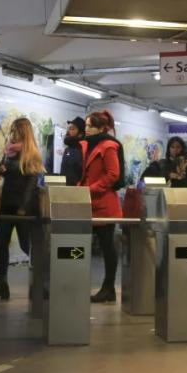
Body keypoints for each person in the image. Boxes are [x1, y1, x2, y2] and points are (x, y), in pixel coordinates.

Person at [0, 118, 43, 300]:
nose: (11, 133)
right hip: (7, 204)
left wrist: (24, 207)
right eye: (11, 130)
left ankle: (41, 280)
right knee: (1, 245)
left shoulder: (31, 154)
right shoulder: (10, 151)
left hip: (23, 208)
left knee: (26, 244)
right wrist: (1, 170)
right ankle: (0, 283)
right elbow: (11, 173)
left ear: (23, 132)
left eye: (15, 130)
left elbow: (31, 184)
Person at [80, 110, 125, 303]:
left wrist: (92, 189)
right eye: (86, 126)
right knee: (79, 246)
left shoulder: (108, 146)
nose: (86, 129)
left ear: (101, 128)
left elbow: (113, 174)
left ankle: (108, 288)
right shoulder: (88, 145)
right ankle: (77, 284)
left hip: (103, 203)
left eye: (90, 126)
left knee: (107, 247)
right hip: (87, 202)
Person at [60, 116, 85, 186]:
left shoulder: (83, 149)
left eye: (73, 128)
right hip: (64, 187)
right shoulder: (68, 149)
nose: (69, 130)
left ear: (81, 133)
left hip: (77, 189)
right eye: (69, 128)